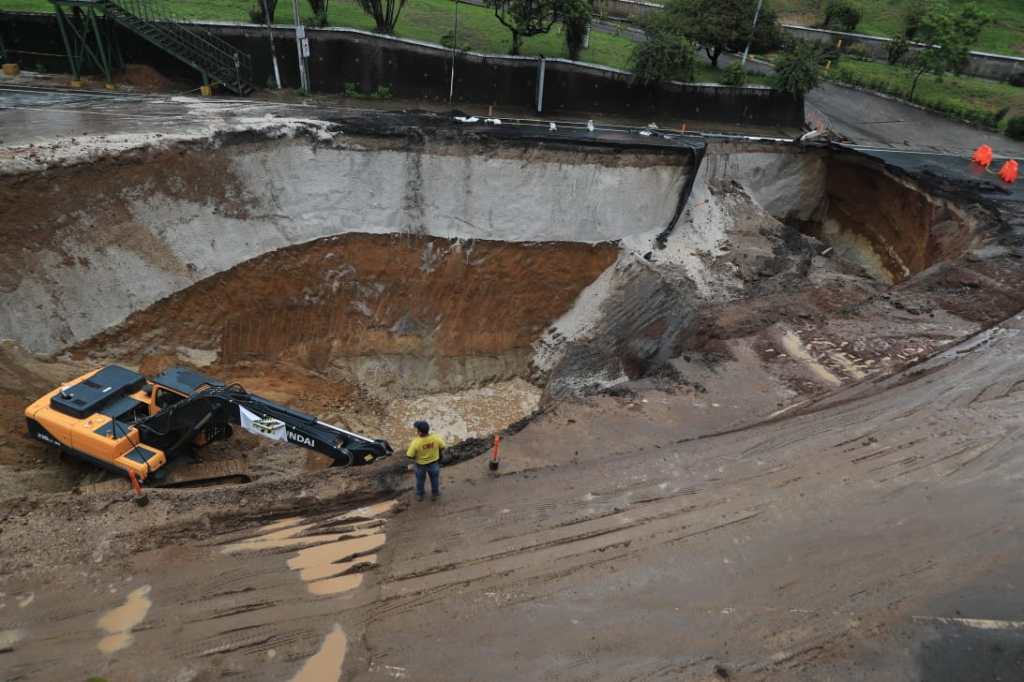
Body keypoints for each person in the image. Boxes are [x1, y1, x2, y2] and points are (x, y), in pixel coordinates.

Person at [407, 420, 444, 501]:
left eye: (417, 430)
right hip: (434, 463)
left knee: (420, 481)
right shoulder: (435, 438)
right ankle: (435, 494)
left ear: (420, 432)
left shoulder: (416, 442)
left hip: (421, 465)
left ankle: (420, 495)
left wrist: (416, 458)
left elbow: (409, 455)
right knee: (434, 479)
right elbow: (443, 446)